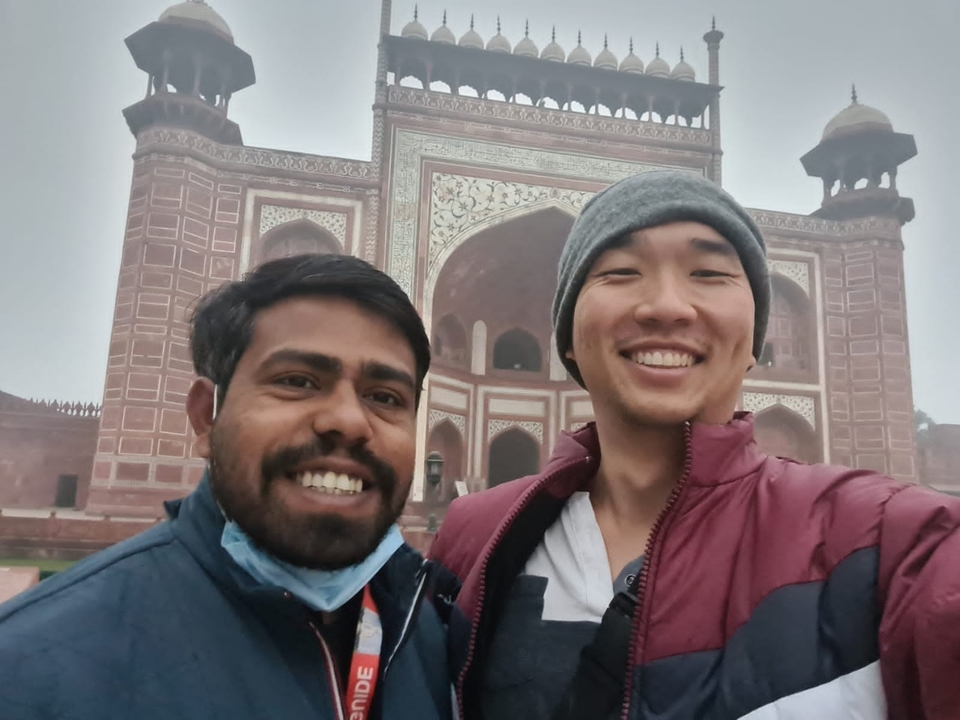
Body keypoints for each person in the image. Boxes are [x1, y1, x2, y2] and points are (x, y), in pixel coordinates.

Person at [431, 171, 960, 720]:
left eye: (708, 273)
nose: (667, 306)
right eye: (619, 272)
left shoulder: (885, 544)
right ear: (565, 335)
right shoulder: (476, 536)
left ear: (756, 335)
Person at [0, 254, 457, 720]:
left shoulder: (428, 631)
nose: (347, 420)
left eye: (384, 397)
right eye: (297, 381)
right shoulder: (35, 670)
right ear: (206, 417)